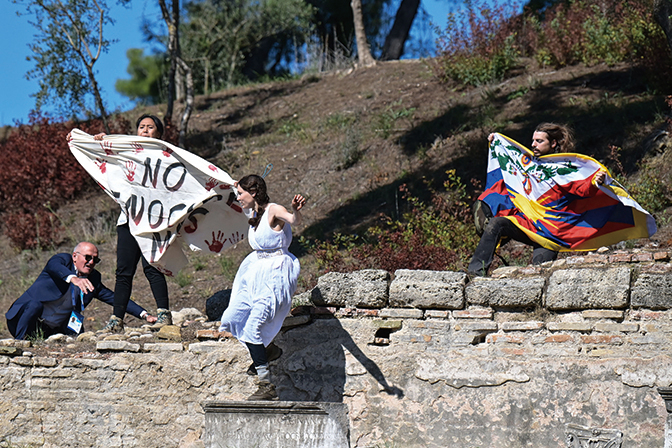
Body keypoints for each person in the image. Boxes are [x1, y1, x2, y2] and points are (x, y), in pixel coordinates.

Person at [468, 123, 606, 277]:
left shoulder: (564, 167)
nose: (533, 144)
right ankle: (474, 273)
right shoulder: (527, 163)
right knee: (497, 223)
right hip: (528, 223)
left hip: (551, 231)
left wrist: (595, 183)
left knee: (538, 275)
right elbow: (507, 164)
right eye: (533, 140)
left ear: (553, 144)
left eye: (539, 141)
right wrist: (496, 142)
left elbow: (582, 188)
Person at [219, 174, 306, 401]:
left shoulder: (274, 210)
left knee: (253, 327)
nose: (238, 198)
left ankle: (266, 384)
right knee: (232, 317)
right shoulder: (253, 214)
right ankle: (267, 350)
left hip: (275, 274)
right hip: (254, 273)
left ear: (254, 192)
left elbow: (294, 221)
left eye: (241, 193)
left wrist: (295, 209)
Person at [92, 114, 174, 333]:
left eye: (150, 127)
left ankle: (164, 313)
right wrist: (101, 141)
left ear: (159, 133)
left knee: (152, 267)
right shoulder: (127, 152)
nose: (144, 130)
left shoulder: (167, 156)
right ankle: (116, 319)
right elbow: (106, 159)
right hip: (127, 220)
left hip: (153, 221)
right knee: (123, 271)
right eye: (141, 127)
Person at [5, 242, 156, 340]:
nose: (91, 262)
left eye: (95, 260)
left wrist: (144, 314)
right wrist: (73, 278)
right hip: (23, 319)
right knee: (34, 305)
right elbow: (54, 266)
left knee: (79, 332)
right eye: (88, 257)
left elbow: (114, 298)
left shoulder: (93, 279)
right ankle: (19, 343)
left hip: (50, 329)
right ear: (75, 256)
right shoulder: (63, 261)